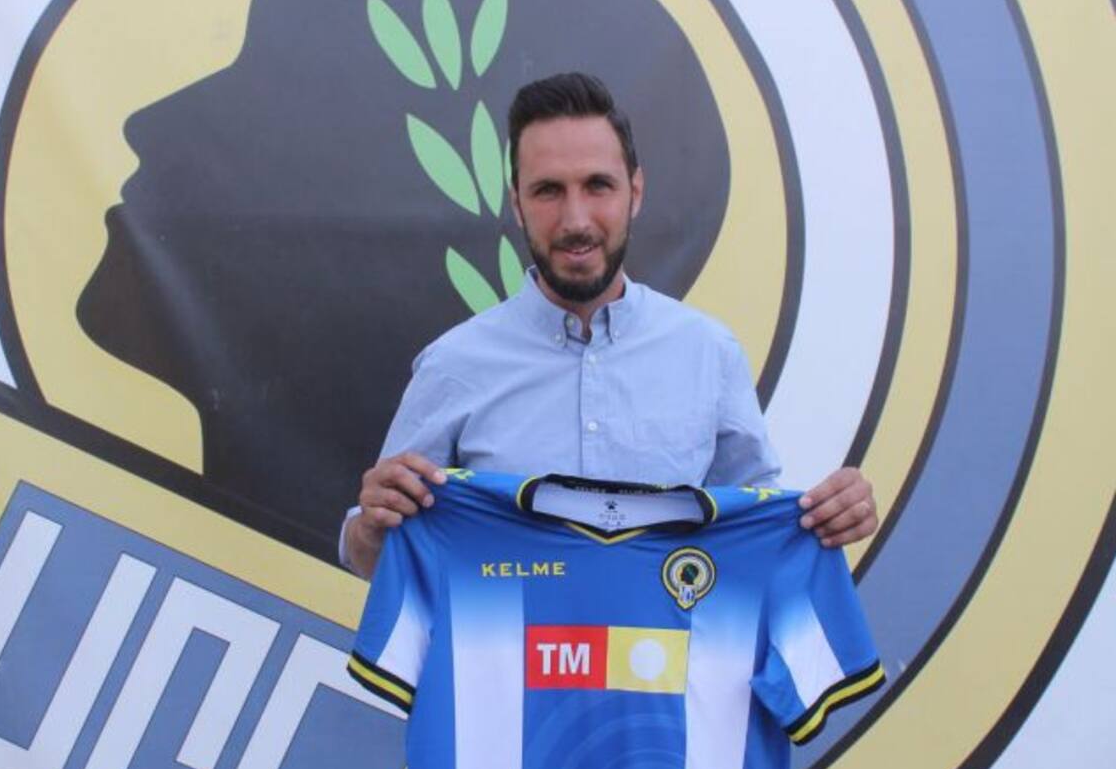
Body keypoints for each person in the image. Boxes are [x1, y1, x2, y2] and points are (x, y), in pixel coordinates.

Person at [343, 72, 876, 578]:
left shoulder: (708, 353)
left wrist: (828, 517)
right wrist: (370, 528)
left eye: (598, 185)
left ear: (635, 192)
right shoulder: (454, 365)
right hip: (502, 648)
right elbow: (378, 554)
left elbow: (759, 538)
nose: (576, 220)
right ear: (517, 204)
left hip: (664, 648)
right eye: (548, 190)